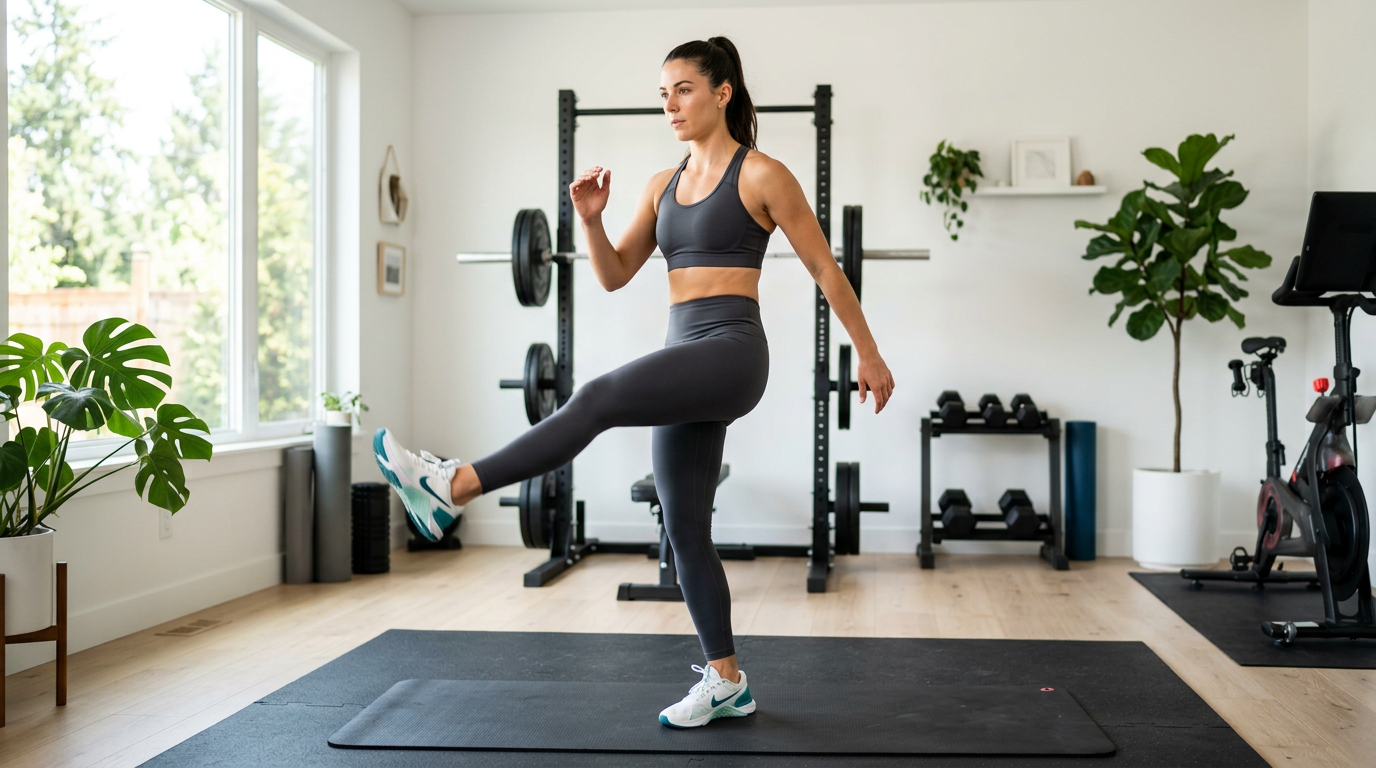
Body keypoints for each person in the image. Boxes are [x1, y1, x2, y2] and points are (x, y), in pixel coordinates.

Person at [373, 36, 894, 729]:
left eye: (682, 88)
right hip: (686, 351)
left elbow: (827, 269)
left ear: (721, 93)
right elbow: (616, 273)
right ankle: (728, 680)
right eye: (663, 93)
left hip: (733, 352)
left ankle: (454, 487)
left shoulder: (763, 174)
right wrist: (589, 221)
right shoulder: (662, 185)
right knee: (683, 527)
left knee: (596, 398)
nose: (671, 104)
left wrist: (869, 353)